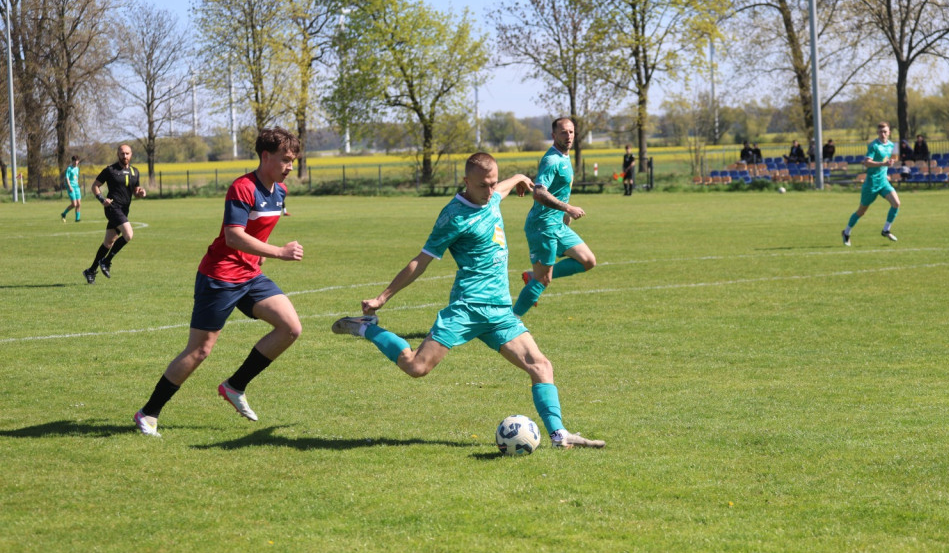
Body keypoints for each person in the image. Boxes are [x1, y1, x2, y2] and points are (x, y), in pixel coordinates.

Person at [331, 152, 604, 450]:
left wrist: (520, 179)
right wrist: (381, 298)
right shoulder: (452, 216)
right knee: (416, 367)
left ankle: (559, 435)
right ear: (466, 182)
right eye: (483, 186)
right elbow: (420, 261)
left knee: (541, 365)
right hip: (467, 307)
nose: (489, 191)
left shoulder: (493, 195)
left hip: (499, 310)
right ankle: (365, 327)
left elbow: (503, 188)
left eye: (493, 183)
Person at [133, 127, 304, 438]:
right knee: (200, 351)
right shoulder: (242, 187)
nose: (290, 166)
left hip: (250, 275)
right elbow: (233, 235)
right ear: (265, 156)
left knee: (290, 328)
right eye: (286, 160)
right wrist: (278, 252)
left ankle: (234, 385)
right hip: (220, 276)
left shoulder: (279, 191)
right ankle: (148, 413)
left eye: (293, 160)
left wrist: (262, 252)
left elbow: (258, 226)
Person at [513, 117, 597, 317]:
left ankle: (533, 276)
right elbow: (540, 193)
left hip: (556, 225)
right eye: (563, 132)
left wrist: (563, 215)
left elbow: (555, 188)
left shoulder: (564, 157)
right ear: (553, 135)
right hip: (542, 227)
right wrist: (568, 208)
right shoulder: (552, 160)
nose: (568, 136)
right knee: (544, 281)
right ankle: (511, 320)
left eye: (571, 132)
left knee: (588, 260)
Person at [82, 145, 145, 284]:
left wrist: (140, 193)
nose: (125, 156)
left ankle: (91, 270)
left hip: (124, 210)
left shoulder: (135, 172)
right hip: (112, 208)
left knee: (108, 243)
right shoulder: (110, 170)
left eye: (127, 153)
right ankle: (106, 261)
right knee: (129, 235)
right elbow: (95, 186)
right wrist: (101, 199)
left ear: (131, 154)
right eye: (122, 153)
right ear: (118, 154)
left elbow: (135, 191)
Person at [842, 121, 900, 246]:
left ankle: (886, 230)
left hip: (883, 182)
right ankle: (846, 232)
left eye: (885, 131)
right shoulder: (874, 146)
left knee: (896, 203)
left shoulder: (890, 145)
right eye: (880, 132)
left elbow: (888, 158)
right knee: (861, 212)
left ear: (889, 132)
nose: (883, 134)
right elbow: (867, 163)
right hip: (871, 184)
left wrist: (888, 165)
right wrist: (883, 164)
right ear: (877, 133)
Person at [60, 156, 82, 223]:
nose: (76, 162)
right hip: (71, 187)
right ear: (72, 161)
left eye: (77, 161)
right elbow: (67, 178)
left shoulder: (77, 169)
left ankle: (77, 219)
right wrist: (69, 187)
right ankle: (64, 213)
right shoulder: (69, 168)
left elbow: (76, 177)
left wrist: (78, 184)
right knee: (74, 204)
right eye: (74, 161)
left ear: (78, 161)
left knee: (79, 204)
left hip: (76, 187)